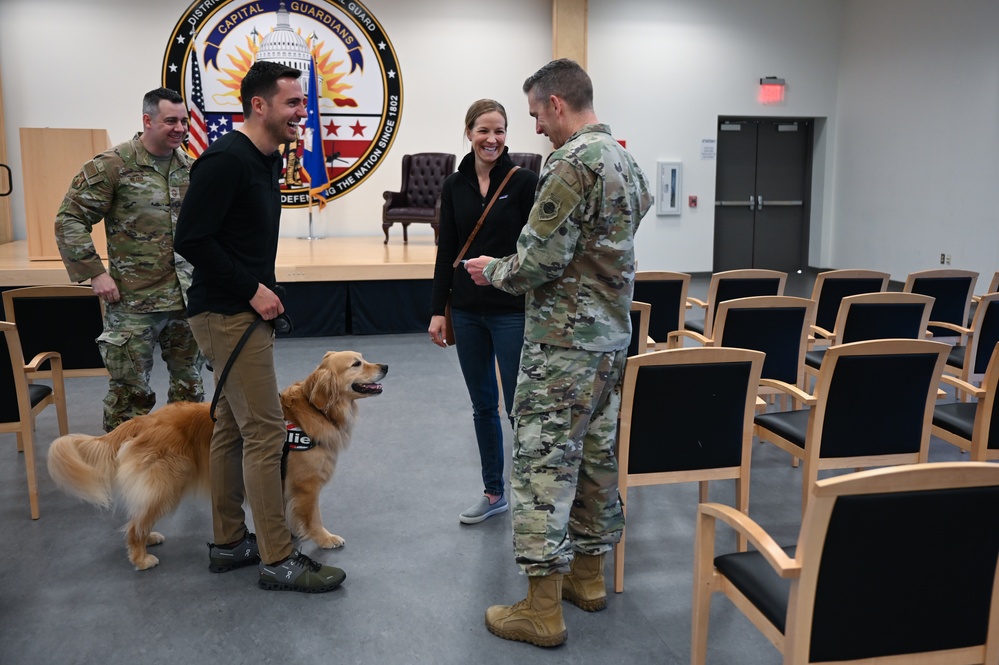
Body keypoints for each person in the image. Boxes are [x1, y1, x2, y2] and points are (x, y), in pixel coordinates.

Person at [466, 59, 653, 647]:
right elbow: (634, 214)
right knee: (597, 459)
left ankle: (542, 608)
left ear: (555, 104)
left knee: (543, 466)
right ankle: (589, 579)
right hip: (609, 339)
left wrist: (490, 270)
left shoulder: (571, 163)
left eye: (534, 115)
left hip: (563, 344)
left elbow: (537, 262)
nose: (535, 128)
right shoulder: (623, 156)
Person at [174, 61, 344, 593]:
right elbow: (191, 239)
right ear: (258, 106)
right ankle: (277, 556)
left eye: (303, 102)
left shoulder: (268, 159)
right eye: (293, 103)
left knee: (230, 427)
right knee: (267, 430)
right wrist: (252, 289)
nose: (302, 112)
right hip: (227, 314)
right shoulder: (226, 160)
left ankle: (229, 543)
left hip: (242, 311)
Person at [55, 87, 205, 433]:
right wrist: (94, 272)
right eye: (171, 121)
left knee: (190, 389)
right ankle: (121, 464)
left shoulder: (193, 169)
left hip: (185, 299)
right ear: (147, 120)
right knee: (129, 393)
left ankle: (182, 458)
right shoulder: (113, 165)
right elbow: (70, 218)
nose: (180, 128)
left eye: (184, 121)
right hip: (133, 302)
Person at [429, 99, 539, 525]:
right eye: (483, 131)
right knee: (482, 405)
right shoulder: (453, 186)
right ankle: (494, 492)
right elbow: (447, 252)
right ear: (469, 133)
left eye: (499, 131)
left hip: (511, 310)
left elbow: (533, 250)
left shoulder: (525, 181)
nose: (491, 139)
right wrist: (439, 309)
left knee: (518, 406)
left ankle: (530, 493)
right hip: (468, 313)